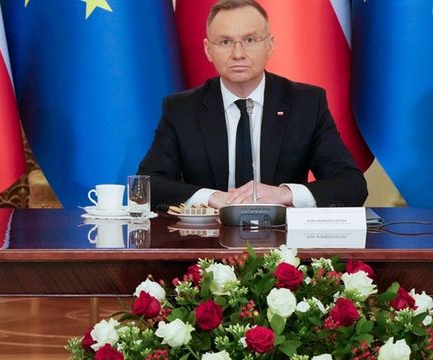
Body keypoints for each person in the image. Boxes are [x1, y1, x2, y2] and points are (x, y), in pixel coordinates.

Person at [137, 0, 367, 209]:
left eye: (250, 40)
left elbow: (352, 185)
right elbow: (147, 186)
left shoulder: (305, 104)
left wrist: (283, 194)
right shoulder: (182, 109)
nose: (238, 53)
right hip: (205, 243)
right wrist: (211, 197)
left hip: (284, 244)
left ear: (270, 45)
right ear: (209, 50)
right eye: (225, 42)